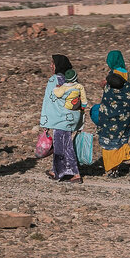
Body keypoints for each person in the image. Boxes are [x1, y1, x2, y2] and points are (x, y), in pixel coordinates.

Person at [97, 50, 130, 178]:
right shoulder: (127, 75)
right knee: (120, 139)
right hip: (129, 113)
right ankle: (118, 167)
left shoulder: (113, 74)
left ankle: (126, 160)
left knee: (108, 140)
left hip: (113, 114)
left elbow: (111, 94)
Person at [40, 55, 83, 184]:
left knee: (64, 146)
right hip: (71, 118)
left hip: (60, 119)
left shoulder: (54, 80)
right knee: (62, 144)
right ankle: (56, 170)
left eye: (52, 63)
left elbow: (48, 102)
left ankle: (75, 174)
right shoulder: (71, 79)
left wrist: (45, 122)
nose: (51, 66)